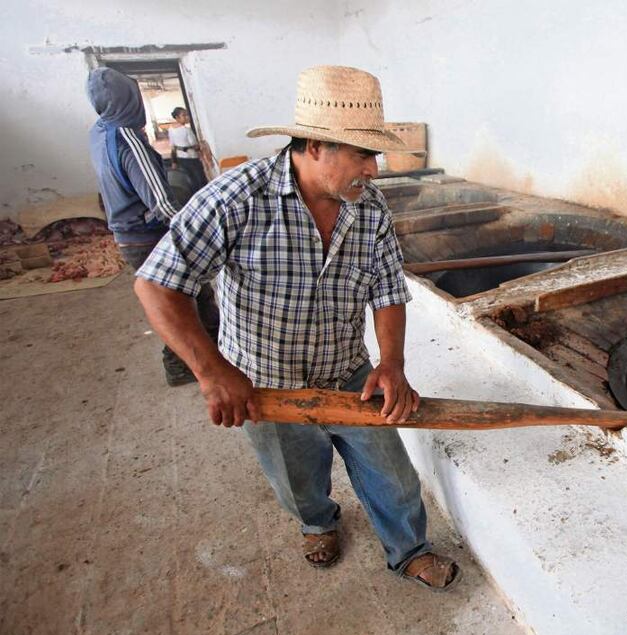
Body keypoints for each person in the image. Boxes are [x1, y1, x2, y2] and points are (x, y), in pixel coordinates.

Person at [131, 65, 461, 589]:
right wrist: (213, 373)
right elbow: (157, 284)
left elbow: (387, 289)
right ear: (312, 146)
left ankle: (409, 549)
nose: (373, 170)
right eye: (361, 154)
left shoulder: (369, 208)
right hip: (263, 380)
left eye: (373, 155)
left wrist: (391, 363)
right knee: (296, 477)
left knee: (393, 476)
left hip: (348, 372)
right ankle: (317, 524)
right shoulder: (236, 198)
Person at [85, 67, 218, 387]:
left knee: (173, 297)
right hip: (148, 235)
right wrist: (204, 233)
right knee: (186, 297)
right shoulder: (128, 137)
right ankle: (197, 364)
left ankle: (195, 360)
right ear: (130, 99)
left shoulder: (98, 133)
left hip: (126, 235)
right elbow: (161, 202)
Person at [167, 107, 209, 191]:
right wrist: (203, 153)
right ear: (177, 118)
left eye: (187, 115)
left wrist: (174, 162)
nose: (187, 117)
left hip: (181, 159)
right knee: (201, 180)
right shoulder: (187, 130)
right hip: (192, 158)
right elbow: (195, 145)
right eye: (184, 115)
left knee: (191, 180)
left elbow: (172, 147)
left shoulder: (171, 130)